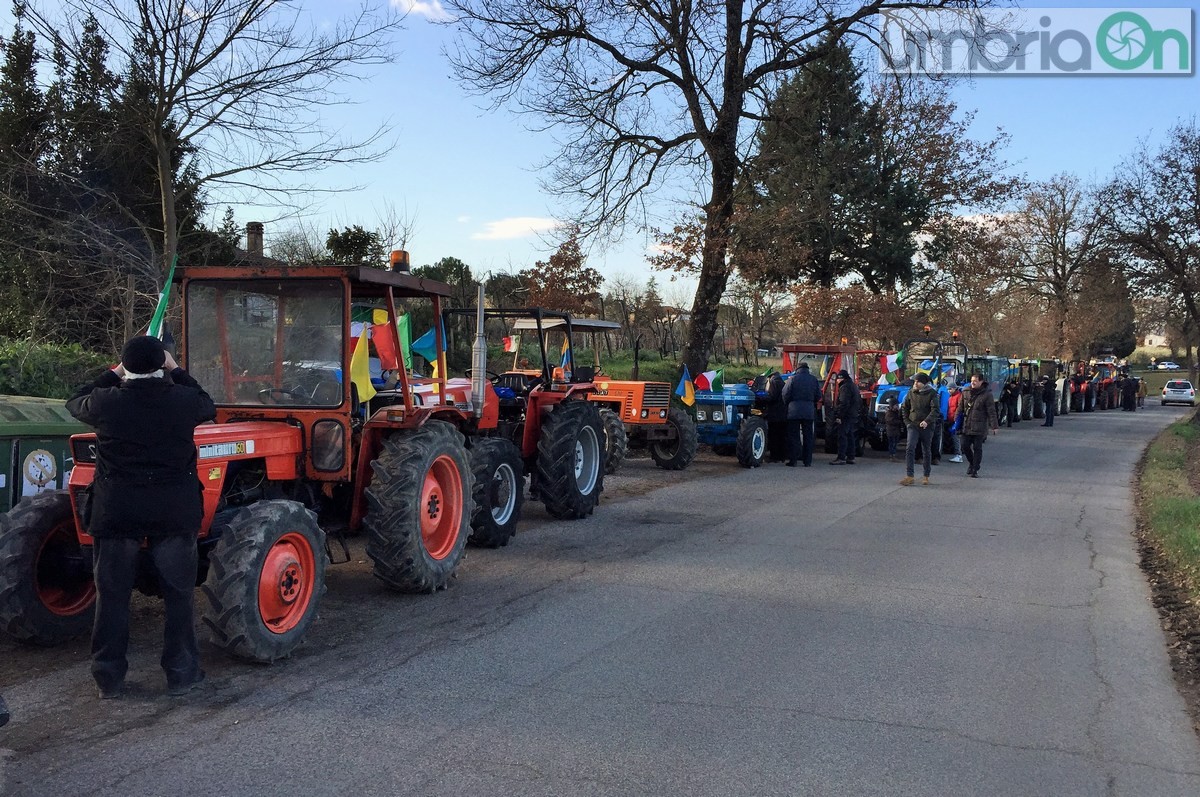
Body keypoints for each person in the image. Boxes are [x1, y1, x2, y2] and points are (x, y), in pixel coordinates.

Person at [66, 336, 216, 700]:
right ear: (161, 365)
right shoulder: (183, 401)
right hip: (172, 512)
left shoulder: (105, 402)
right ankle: (181, 673)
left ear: (125, 367)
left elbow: (74, 400)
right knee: (179, 596)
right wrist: (177, 369)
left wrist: (113, 372)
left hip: (118, 512)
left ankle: (108, 677)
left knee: (112, 596)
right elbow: (207, 405)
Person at [899, 373, 940, 486]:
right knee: (910, 448)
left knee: (926, 449)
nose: (915, 383)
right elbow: (905, 408)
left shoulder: (932, 393)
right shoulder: (911, 392)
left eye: (918, 382)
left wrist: (927, 421)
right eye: (915, 381)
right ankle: (909, 476)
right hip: (913, 425)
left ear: (924, 383)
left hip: (927, 426)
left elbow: (935, 410)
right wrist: (907, 422)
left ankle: (926, 475)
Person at [957, 371, 1000, 477]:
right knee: (965, 446)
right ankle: (972, 463)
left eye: (975, 381)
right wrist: (956, 420)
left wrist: (994, 426)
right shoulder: (965, 392)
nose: (973, 383)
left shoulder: (987, 394)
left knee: (977, 448)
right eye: (972, 381)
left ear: (981, 382)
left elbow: (991, 411)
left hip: (979, 426)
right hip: (966, 425)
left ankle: (975, 469)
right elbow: (960, 407)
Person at [782, 362, 820, 467]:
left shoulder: (792, 379)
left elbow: (785, 394)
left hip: (794, 411)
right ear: (807, 369)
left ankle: (793, 460)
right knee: (808, 436)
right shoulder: (813, 379)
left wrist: (788, 404)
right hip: (808, 411)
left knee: (794, 436)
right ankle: (807, 461)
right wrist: (811, 403)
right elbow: (818, 395)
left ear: (797, 369)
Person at [830, 369, 861, 465]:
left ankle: (841, 457)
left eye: (838, 379)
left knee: (842, 435)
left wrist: (839, 415)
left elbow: (844, 403)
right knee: (850, 435)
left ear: (841, 378)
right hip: (852, 414)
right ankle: (851, 457)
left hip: (845, 415)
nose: (837, 381)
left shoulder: (845, 387)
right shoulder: (853, 386)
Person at [764, 371, 788, 463]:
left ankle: (774, 457)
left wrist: (763, 398)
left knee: (774, 436)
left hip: (774, 414)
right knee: (782, 436)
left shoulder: (773, 382)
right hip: (783, 413)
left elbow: (772, 396)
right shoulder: (782, 382)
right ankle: (782, 456)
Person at [946, 381, 965, 462]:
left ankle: (958, 454)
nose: (949, 390)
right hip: (952, 419)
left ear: (954, 388)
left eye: (950, 389)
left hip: (956, 420)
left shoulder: (958, 396)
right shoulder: (952, 397)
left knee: (955, 437)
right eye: (948, 389)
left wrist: (956, 419)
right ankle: (958, 454)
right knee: (954, 437)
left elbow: (959, 409)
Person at [884, 395, 904, 462]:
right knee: (892, 444)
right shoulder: (889, 413)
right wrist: (899, 422)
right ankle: (892, 455)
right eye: (896, 405)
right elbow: (891, 421)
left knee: (894, 444)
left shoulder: (896, 413)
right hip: (891, 432)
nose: (897, 407)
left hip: (895, 432)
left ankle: (893, 455)